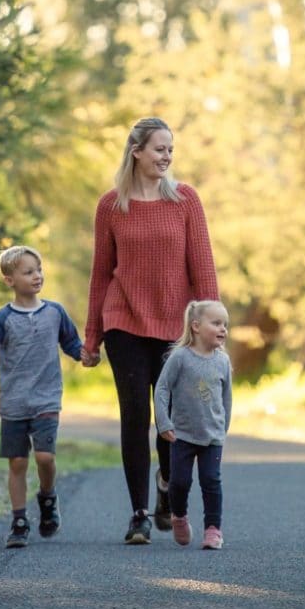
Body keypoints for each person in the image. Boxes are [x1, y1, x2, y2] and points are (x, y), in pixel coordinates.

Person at [82, 117, 219, 545]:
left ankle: (166, 488)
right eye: (159, 149)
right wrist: (92, 337)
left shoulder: (185, 201)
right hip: (123, 321)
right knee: (134, 416)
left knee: (170, 419)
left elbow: (204, 271)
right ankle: (138, 514)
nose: (166, 157)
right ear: (136, 151)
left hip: (174, 328)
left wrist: (210, 331)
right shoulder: (111, 205)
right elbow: (101, 275)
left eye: (170, 150)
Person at [0, 245, 83, 549]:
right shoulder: (3, 319)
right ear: (9, 280)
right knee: (18, 463)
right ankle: (19, 520)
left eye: (39, 270)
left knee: (45, 458)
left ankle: (48, 498)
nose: (37, 276)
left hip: (47, 400)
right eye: (28, 272)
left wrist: (86, 355)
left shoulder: (55, 312)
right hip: (13, 404)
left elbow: (72, 344)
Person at [154, 300, 232, 550]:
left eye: (225, 325)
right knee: (179, 482)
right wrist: (163, 422)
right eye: (217, 323)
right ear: (196, 326)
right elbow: (162, 388)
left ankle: (213, 529)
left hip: (212, 436)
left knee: (211, 480)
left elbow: (227, 397)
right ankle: (179, 517)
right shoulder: (180, 358)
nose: (223, 329)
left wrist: (224, 428)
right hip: (182, 435)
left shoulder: (223, 361)